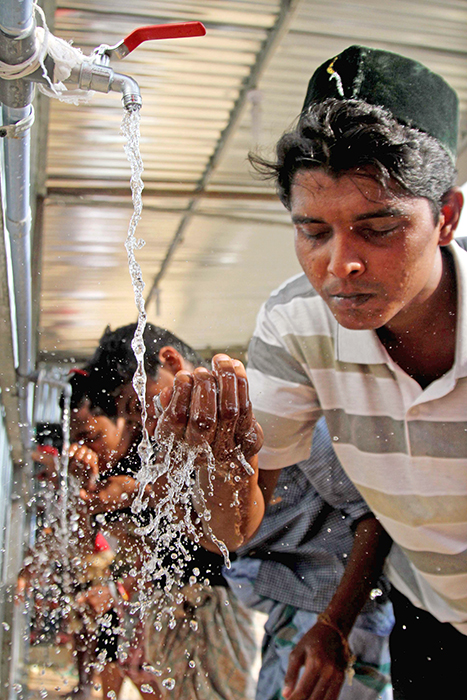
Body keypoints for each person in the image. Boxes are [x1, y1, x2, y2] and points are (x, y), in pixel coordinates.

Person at [234, 45, 466, 699]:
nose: (341, 265)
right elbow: (236, 521)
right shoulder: (295, 326)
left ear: (444, 216)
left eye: (378, 227)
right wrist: (214, 459)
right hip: (430, 622)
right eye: (312, 231)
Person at [82, 323, 258, 700]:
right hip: (175, 609)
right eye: (129, 419)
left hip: (217, 607)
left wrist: (138, 492)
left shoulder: (234, 408)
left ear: (171, 361)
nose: (142, 425)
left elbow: (228, 537)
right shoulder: (162, 445)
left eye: (137, 407)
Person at [225, 416, 394, 700]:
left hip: (344, 614)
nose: (150, 421)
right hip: (297, 609)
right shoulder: (180, 450)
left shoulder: (281, 419)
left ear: (173, 368)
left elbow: (374, 517)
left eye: (136, 406)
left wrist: (334, 627)